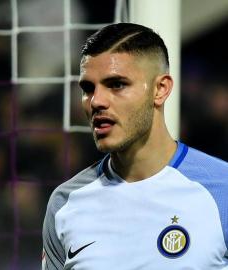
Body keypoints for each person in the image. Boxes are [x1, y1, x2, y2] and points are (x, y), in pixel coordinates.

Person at [42, 23, 228, 269]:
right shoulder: (65, 203)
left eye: (116, 84)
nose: (96, 101)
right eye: (88, 89)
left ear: (160, 89)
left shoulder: (221, 189)